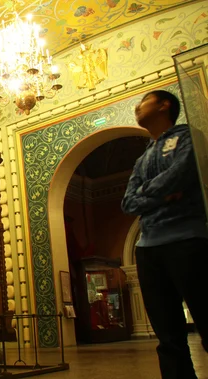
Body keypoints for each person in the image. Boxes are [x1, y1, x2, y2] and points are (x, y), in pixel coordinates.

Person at [121, 90, 208, 379]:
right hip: (149, 249)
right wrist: (162, 193)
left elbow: (182, 173)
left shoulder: (186, 137)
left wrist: (146, 192)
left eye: (143, 101)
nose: (137, 107)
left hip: (188, 240)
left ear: (164, 105)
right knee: (168, 338)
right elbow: (127, 202)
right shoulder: (142, 157)